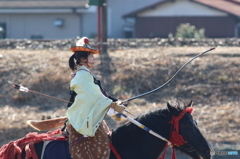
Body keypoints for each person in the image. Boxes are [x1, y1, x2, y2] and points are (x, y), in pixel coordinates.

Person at [66, 37, 125, 159]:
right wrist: (112, 104)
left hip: (88, 115)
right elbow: (93, 96)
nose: (93, 58)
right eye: (91, 56)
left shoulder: (85, 74)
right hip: (82, 118)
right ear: (83, 59)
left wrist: (114, 101)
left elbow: (99, 94)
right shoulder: (82, 76)